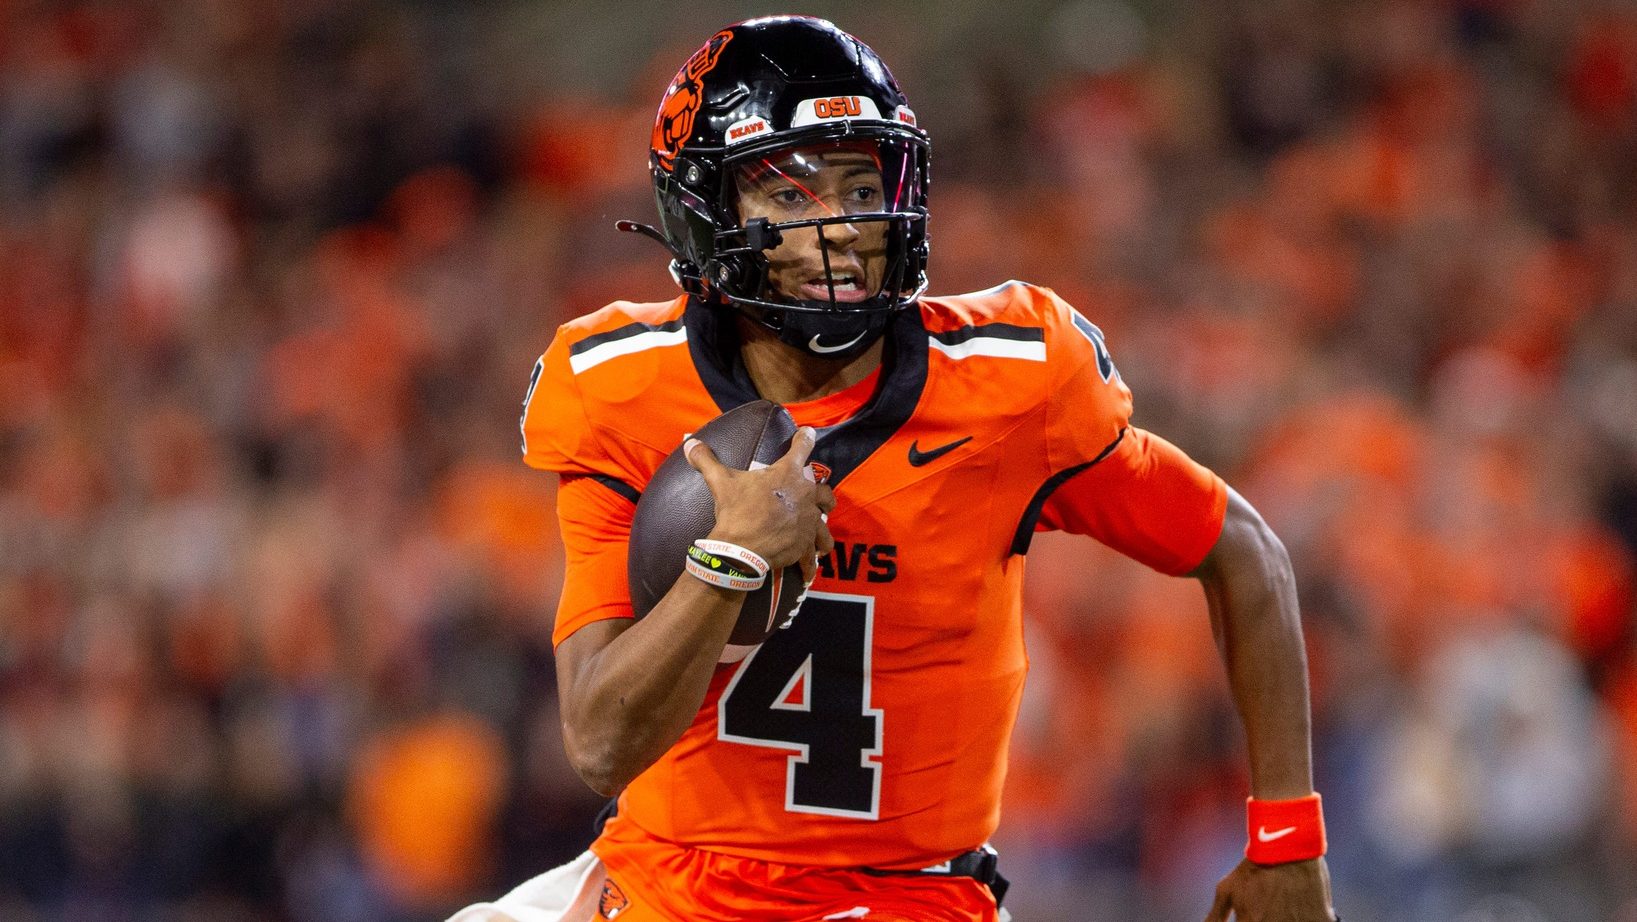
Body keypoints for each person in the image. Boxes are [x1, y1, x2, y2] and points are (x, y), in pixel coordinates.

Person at [465, 15, 1339, 922]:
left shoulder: (1010, 387)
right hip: (659, 881)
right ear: (705, 212)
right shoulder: (622, 391)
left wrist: (1287, 839)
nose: (841, 227)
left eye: (858, 183)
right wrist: (729, 562)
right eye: (791, 197)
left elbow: (1241, 550)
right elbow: (599, 742)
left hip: (906, 900)